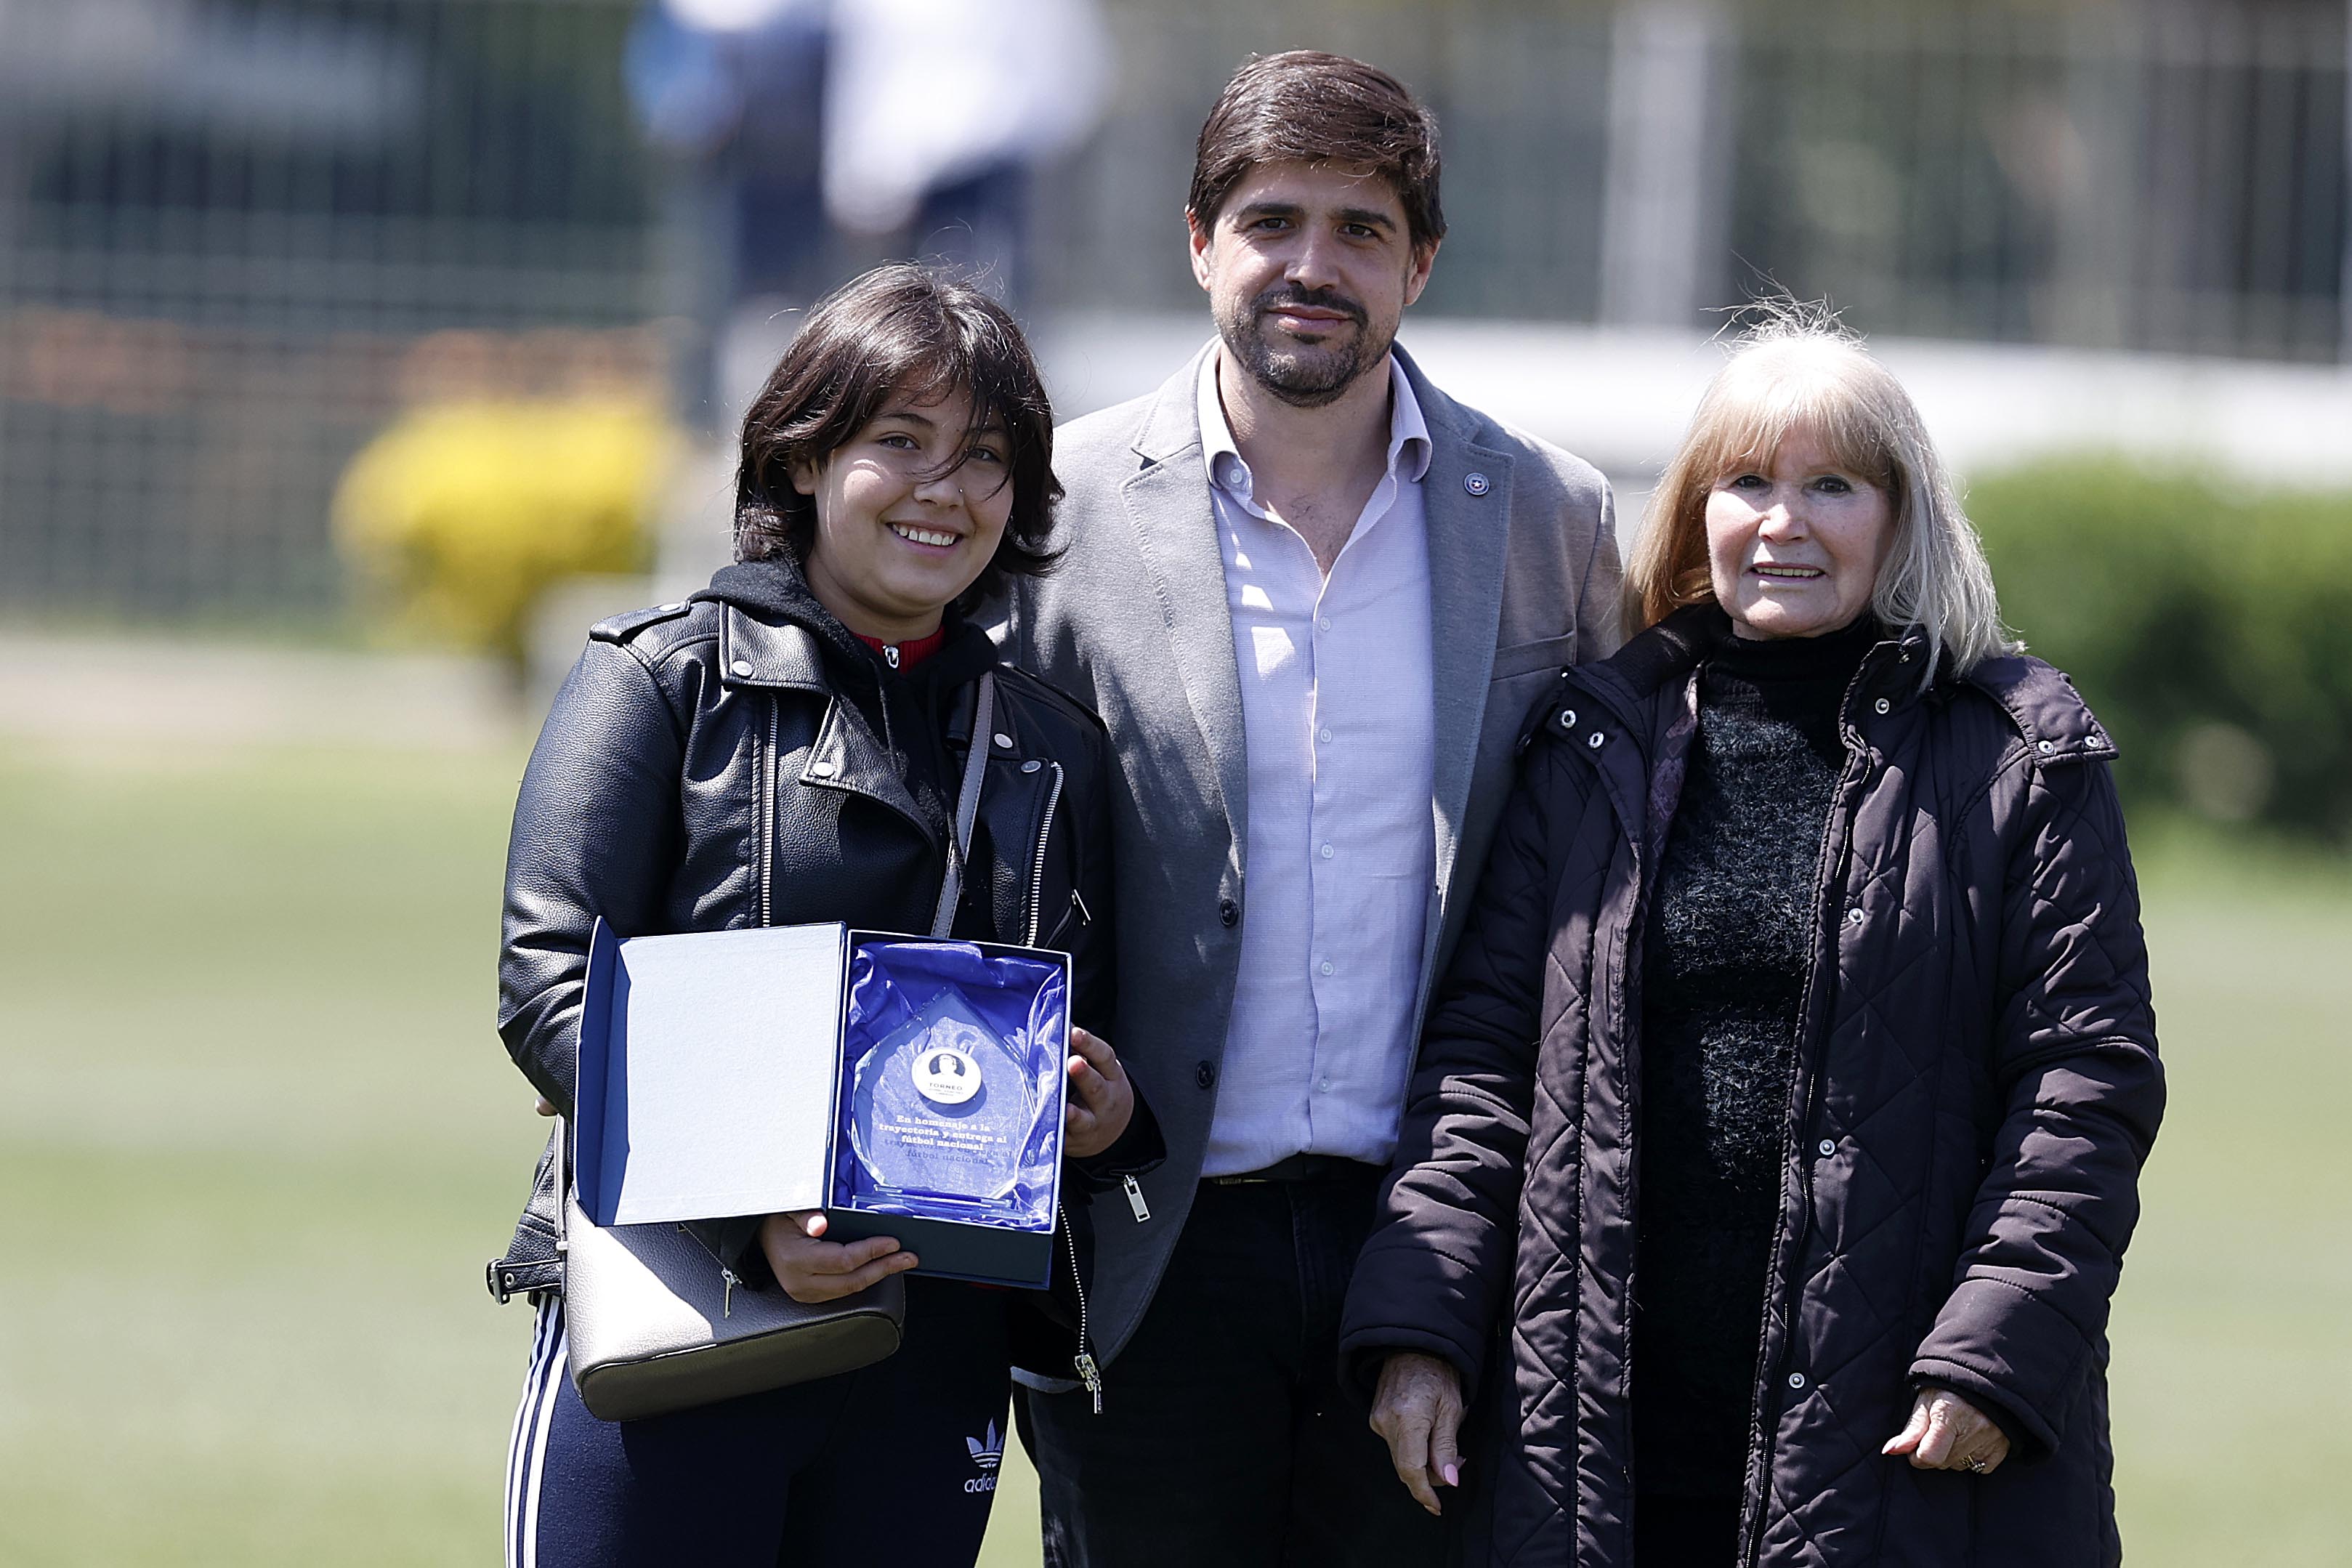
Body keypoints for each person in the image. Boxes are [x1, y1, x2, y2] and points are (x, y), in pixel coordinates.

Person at [1341, 310, 2164, 1567]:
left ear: (1900, 517)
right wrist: (1420, 1329)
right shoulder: (1590, 743)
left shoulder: (2018, 755)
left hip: (1898, 1430)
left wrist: (1995, 1353)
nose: (1783, 521)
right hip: (1605, 1440)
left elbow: (2083, 1089)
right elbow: (1480, 1063)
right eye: (1747, 482)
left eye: (1831, 483)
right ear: (1695, 513)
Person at [997, 50, 1622, 1568]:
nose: (1310, 265)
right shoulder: (1054, 511)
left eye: (1358, 227)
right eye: (1272, 219)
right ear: (1198, 238)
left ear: (1418, 262)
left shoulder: (1551, 515)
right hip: (1144, 1230)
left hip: (1436, 1241)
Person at [489, 264, 1160, 1568]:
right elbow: (550, 985)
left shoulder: (1053, 744)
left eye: (983, 457)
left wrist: (1106, 1114)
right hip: (681, 1318)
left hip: (935, 1350)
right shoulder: (661, 679)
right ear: (803, 459)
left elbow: (1085, 1026)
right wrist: (749, 1221)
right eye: (896, 442)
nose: (944, 490)